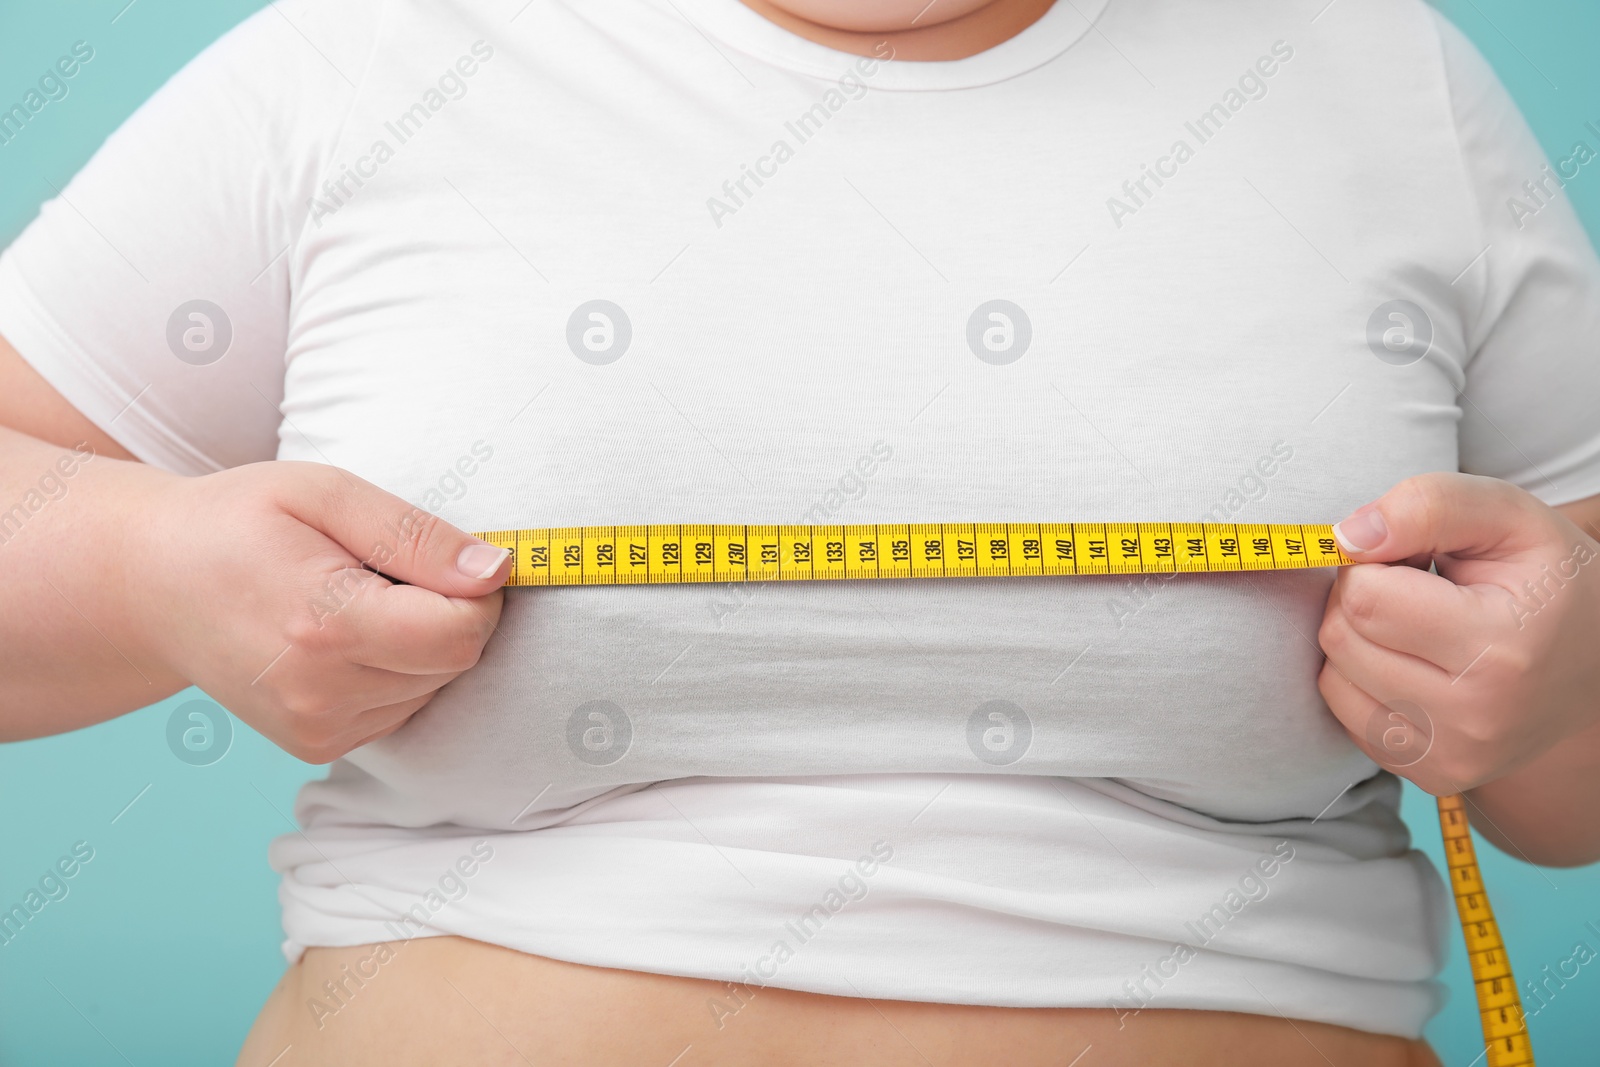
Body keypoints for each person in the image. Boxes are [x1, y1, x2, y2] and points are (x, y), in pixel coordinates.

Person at [2, 0, 1598, 1063]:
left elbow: (1565, 788)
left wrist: (1559, 670)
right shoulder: (365, 57)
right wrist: (150, 570)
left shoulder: (1379, 77)